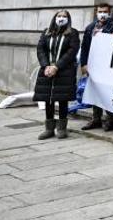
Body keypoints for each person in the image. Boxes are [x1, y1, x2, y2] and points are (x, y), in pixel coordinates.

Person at [33, 10, 80, 140]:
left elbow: (72, 51)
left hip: (64, 70)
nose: (61, 18)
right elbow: (40, 49)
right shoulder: (46, 32)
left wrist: (57, 66)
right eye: (59, 16)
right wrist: (45, 65)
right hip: (47, 70)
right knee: (48, 99)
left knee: (62, 99)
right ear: (55, 18)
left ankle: (61, 128)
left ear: (68, 19)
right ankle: (49, 129)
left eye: (64, 16)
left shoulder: (73, 33)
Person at [79, 3, 113, 131]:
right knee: (95, 91)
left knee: (107, 92)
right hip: (93, 65)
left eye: (105, 11)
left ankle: (110, 119)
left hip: (108, 66)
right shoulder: (90, 27)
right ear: (96, 12)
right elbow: (84, 47)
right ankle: (96, 118)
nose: (103, 14)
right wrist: (83, 63)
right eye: (100, 11)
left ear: (109, 12)